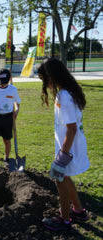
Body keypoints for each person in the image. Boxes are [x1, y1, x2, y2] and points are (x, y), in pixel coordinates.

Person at [38, 58, 90, 231]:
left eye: (44, 80)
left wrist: (62, 157)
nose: (44, 84)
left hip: (69, 149)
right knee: (65, 177)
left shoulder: (64, 96)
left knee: (59, 178)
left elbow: (72, 129)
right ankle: (78, 211)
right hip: (69, 147)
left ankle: (65, 219)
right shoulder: (67, 92)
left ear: (51, 76)